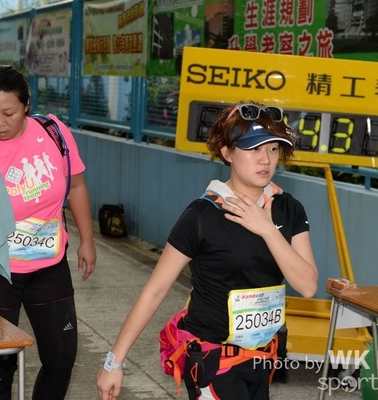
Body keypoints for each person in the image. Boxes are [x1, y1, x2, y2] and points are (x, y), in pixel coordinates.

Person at [96, 101, 318, 400]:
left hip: (263, 359)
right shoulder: (201, 215)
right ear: (227, 153)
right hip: (214, 362)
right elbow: (155, 290)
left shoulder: (289, 208)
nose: (265, 159)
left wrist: (267, 229)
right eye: (253, 149)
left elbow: (307, 285)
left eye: (273, 148)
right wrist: (114, 362)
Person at [0, 65, 97, 400]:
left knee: (61, 360)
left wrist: (87, 240)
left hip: (50, 268)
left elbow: (76, 185)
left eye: (9, 113)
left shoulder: (53, 132)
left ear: (27, 104)